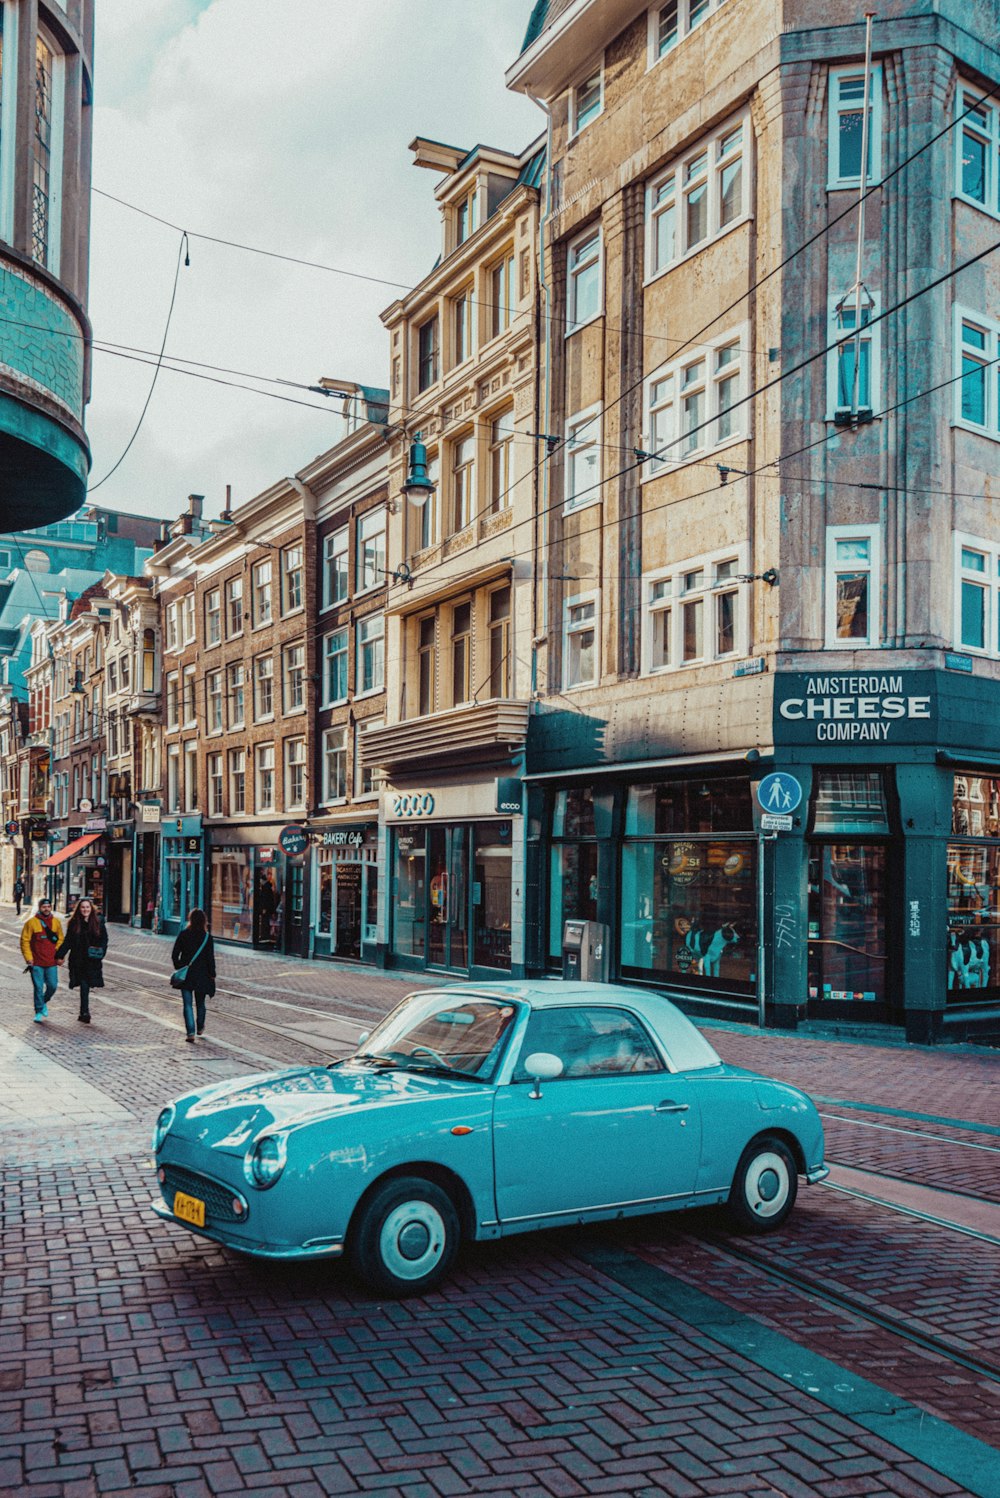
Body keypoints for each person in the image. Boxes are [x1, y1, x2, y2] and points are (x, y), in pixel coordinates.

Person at [55, 897, 108, 1024]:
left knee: (86, 984)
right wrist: (60, 955)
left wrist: (100, 953)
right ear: (79, 909)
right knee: (84, 984)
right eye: (83, 907)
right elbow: (68, 941)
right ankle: (84, 1012)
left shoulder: (99, 922)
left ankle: (84, 1012)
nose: (85, 910)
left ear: (91, 909)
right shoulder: (74, 923)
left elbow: (104, 940)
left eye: (87, 907)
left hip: (92, 959)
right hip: (78, 959)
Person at [171, 907, 216, 1043]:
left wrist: (180, 967)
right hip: (202, 975)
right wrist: (212, 974)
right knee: (200, 1003)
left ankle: (190, 1032)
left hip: (187, 975)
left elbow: (174, 954)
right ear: (204, 921)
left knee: (187, 1004)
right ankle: (200, 1027)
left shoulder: (184, 934)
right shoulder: (207, 938)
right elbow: (210, 958)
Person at [20, 898, 65, 1022]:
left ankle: (43, 1002)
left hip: (51, 962)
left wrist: (57, 953)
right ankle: (39, 1011)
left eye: (48, 906)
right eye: (44, 907)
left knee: (52, 986)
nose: (46, 909)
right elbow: (25, 941)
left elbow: (61, 939)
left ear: (51, 908)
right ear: (40, 908)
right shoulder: (31, 923)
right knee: (38, 988)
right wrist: (29, 958)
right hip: (36, 963)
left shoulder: (56, 922)